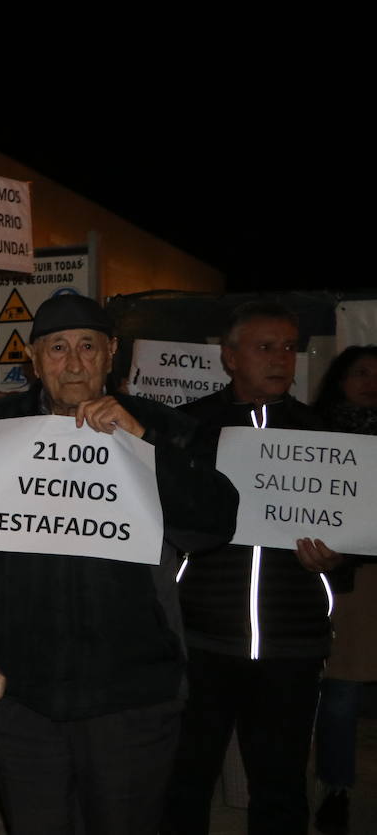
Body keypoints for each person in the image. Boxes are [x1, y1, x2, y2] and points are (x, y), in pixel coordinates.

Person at [0, 294, 239, 835]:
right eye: (57, 348)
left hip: (132, 697)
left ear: (111, 355)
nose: (73, 363)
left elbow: (216, 521)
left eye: (87, 347)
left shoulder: (160, 427)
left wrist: (142, 445)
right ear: (34, 360)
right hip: (22, 694)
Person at [163, 302, 347, 835]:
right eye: (264, 347)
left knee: (282, 786)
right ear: (229, 356)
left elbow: (355, 529)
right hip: (200, 638)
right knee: (185, 779)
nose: (280, 358)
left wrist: (338, 555)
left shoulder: (324, 433)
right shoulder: (189, 428)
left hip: (293, 642)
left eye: (289, 347)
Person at [311, 345, 377, 834]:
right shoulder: (314, 434)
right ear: (340, 378)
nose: (372, 381)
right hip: (349, 583)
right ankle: (337, 788)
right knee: (342, 692)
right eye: (362, 373)